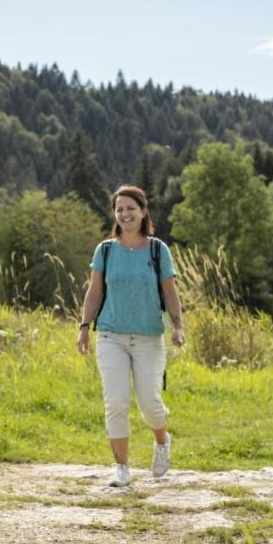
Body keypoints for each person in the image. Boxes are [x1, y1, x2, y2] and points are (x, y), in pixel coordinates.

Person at [76, 185, 185, 487]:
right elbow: (95, 291)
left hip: (149, 337)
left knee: (150, 402)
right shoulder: (106, 250)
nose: (125, 214)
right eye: (119, 209)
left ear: (143, 211)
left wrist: (178, 326)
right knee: (116, 401)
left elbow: (170, 292)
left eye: (130, 208)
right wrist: (84, 327)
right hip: (111, 335)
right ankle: (122, 468)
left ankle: (161, 441)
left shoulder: (157, 249)